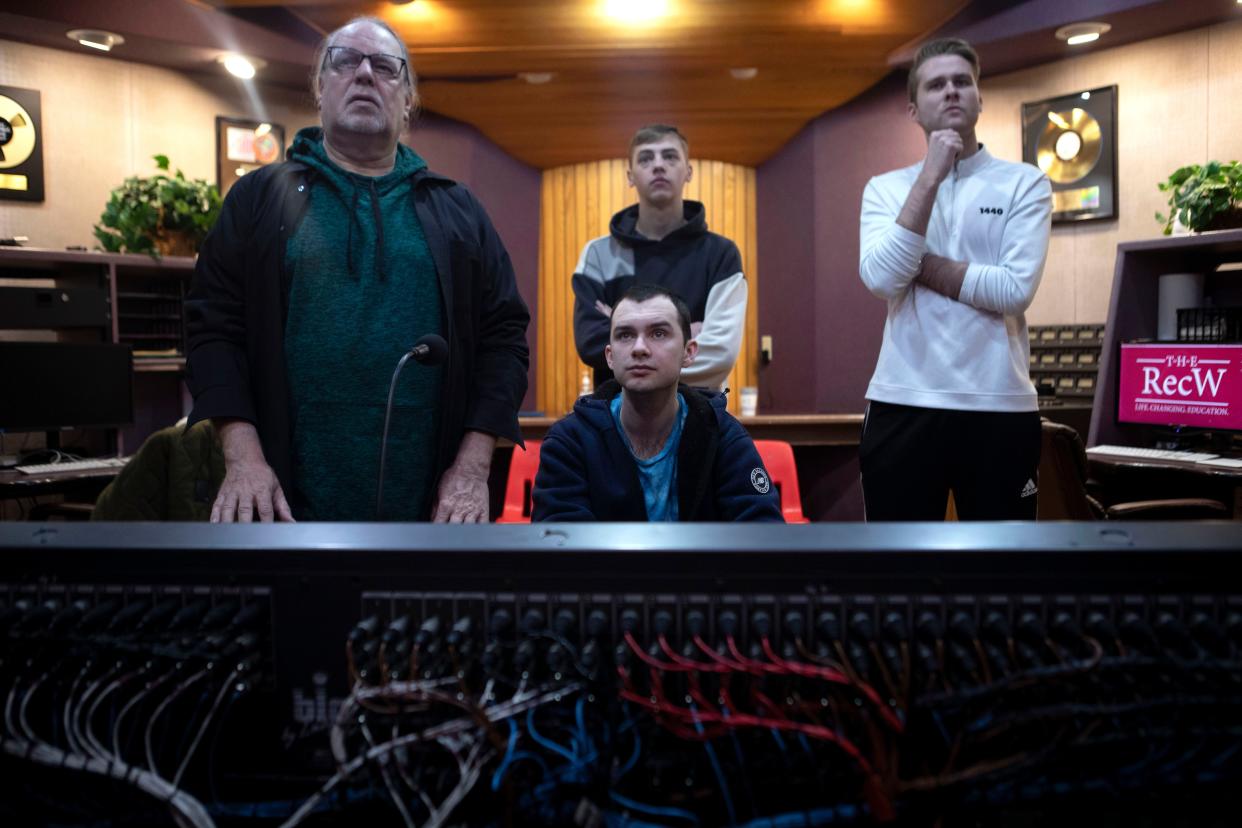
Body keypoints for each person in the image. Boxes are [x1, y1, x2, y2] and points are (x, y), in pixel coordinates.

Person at [185, 16, 529, 523]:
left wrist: (473, 469)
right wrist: (244, 458)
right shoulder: (259, 200)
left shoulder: (457, 211)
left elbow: (505, 341)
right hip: (280, 502)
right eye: (345, 61)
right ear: (319, 89)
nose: (365, 74)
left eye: (387, 68)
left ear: (408, 99)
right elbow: (211, 330)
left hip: (431, 511)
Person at [857, 37, 1051, 521]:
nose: (951, 92)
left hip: (1000, 405)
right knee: (897, 572)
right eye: (936, 85)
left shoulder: (1025, 182)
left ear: (980, 99)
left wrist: (918, 263)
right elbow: (882, 279)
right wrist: (929, 177)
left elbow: (1013, 291)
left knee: (1003, 575)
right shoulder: (885, 188)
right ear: (913, 109)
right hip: (903, 402)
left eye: (962, 82)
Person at [533, 284, 782, 522]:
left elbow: (763, 536)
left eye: (659, 333)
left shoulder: (723, 435)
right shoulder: (570, 440)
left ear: (689, 352)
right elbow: (559, 549)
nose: (639, 348)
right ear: (610, 356)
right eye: (625, 335)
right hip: (604, 569)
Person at [571, 124, 747, 391]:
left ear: (688, 171)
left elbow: (719, 354)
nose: (658, 165)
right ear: (630, 176)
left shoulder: (721, 254)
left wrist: (623, 337)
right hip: (615, 419)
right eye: (645, 158)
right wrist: (683, 335)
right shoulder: (598, 254)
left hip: (700, 418)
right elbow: (591, 344)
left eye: (670, 156)